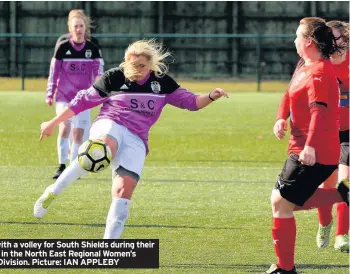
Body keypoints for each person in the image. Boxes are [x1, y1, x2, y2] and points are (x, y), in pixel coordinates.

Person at [34, 39, 229, 239]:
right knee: (101, 148)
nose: (136, 69)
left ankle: (109, 246)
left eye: (142, 65)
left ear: (151, 65)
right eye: (132, 65)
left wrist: (211, 96)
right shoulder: (114, 78)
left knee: (122, 191)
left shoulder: (161, 82)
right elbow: (82, 102)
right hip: (110, 123)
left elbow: (192, 102)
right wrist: (52, 122)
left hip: (137, 138)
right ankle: (52, 192)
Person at [268, 17, 349, 274]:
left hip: (315, 149)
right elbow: (289, 93)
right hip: (301, 146)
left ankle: (286, 268)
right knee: (284, 201)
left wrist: (310, 147)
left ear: (309, 42)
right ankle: (343, 194)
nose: (294, 40)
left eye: (297, 36)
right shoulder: (305, 64)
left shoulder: (320, 72)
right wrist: (282, 116)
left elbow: (320, 112)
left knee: (281, 203)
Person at [46, 11, 104, 180]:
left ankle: (73, 168)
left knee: (78, 134)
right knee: (65, 127)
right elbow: (54, 72)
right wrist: (50, 93)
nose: (78, 29)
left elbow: (99, 73)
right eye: (75, 26)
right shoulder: (63, 47)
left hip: (84, 98)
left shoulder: (92, 49)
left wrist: (98, 92)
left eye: (81, 26)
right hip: (64, 96)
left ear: (85, 28)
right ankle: (61, 166)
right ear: (70, 28)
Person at [315, 20, 349, 253]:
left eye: (338, 38)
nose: (334, 43)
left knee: (344, 181)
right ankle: (325, 224)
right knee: (325, 186)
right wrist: (282, 117)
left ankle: (342, 234)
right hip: (324, 131)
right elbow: (292, 92)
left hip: (348, 132)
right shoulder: (317, 62)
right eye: (329, 38)